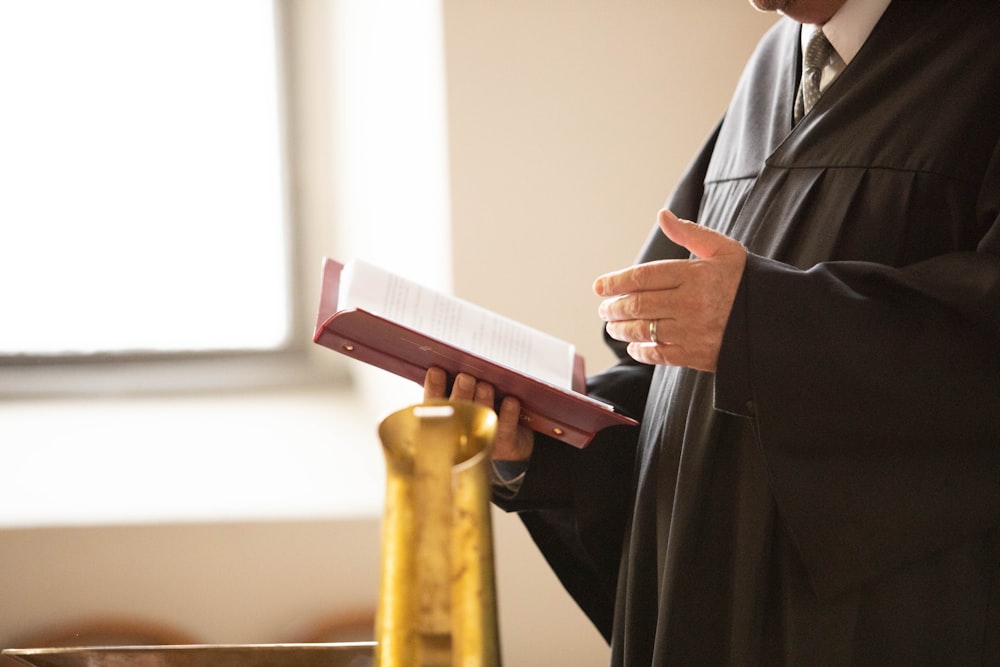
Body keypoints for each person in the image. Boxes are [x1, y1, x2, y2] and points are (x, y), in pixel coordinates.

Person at [424, 0, 1000, 663]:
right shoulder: (771, 68)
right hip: (705, 604)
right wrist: (546, 436)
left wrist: (768, 323)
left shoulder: (980, 51)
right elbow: (681, 379)